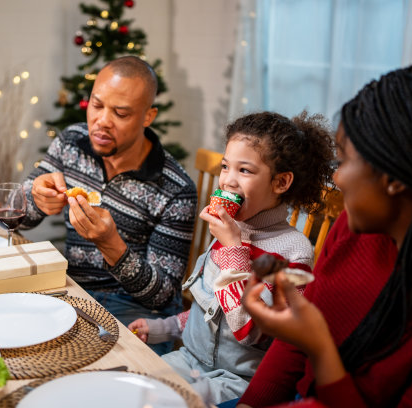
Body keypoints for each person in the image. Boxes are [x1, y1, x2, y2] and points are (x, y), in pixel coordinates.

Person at [240, 63, 412, 407]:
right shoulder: (352, 228)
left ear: (393, 177)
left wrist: (320, 348)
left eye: (343, 162)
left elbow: (309, 338)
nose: (337, 179)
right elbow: (294, 340)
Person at [127, 110, 336, 404]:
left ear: (281, 182)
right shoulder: (230, 230)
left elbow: (247, 332)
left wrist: (233, 250)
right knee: (130, 386)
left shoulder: (293, 251)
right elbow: (211, 309)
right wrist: (163, 328)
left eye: (245, 171)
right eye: (226, 167)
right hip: (190, 360)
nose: (228, 181)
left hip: (239, 381)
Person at [22, 56, 198, 355]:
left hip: (136, 312)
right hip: (73, 290)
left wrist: (111, 245)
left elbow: (164, 295)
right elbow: (21, 216)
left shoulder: (176, 189)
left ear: (147, 116)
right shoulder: (71, 142)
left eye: (120, 113)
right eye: (97, 105)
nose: (102, 121)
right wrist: (35, 199)